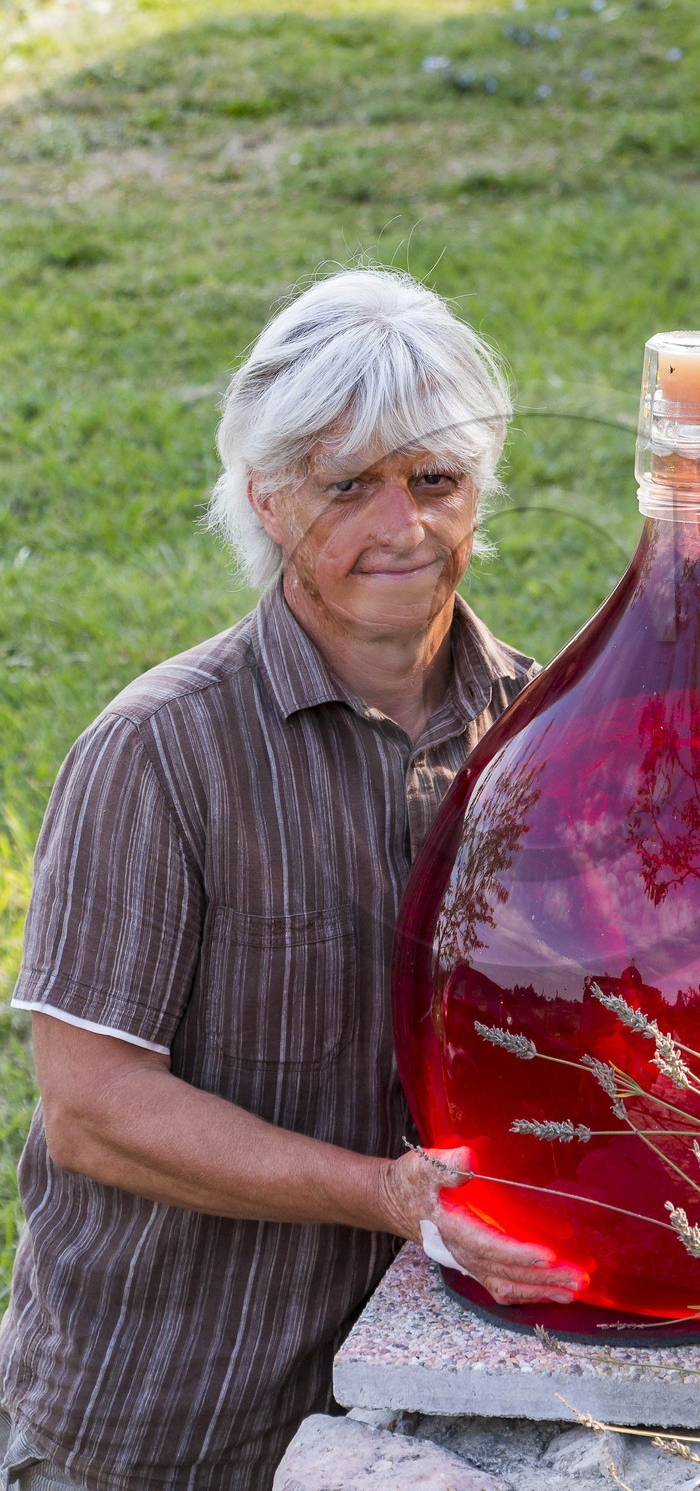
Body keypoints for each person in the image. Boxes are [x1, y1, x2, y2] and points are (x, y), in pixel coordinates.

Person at [0, 268, 584, 1491]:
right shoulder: (158, 752)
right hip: (167, 1417)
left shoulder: (544, 733)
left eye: (434, 480)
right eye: (346, 485)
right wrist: (386, 1194)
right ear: (266, 498)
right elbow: (95, 1109)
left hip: (445, 1402)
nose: (401, 525)